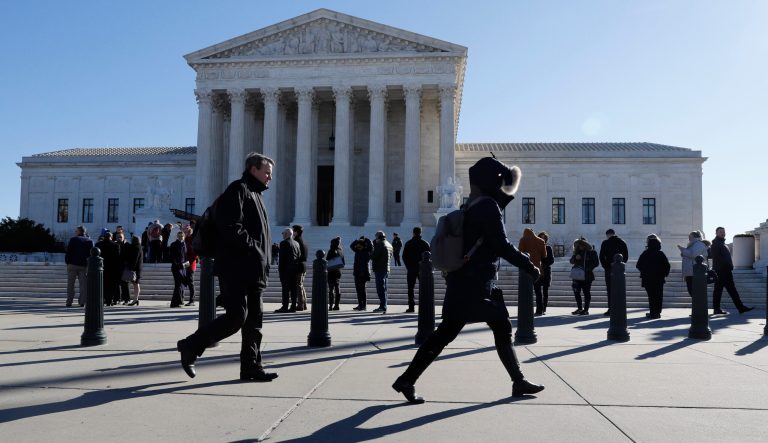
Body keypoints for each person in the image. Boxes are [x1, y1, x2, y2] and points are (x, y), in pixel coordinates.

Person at [392, 157, 544, 404]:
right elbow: (501, 244)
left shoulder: (471, 206)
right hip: (474, 285)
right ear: (493, 182)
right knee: (456, 333)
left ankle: (518, 381)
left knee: (464, 332)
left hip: (466, 283)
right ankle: (517, 381)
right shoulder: (487, 207)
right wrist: (528, 265)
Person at [177, 153, 278, 382]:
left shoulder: (257, 195)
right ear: (253, 169)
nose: (270, 177)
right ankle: (190, 346)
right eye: (267, 172)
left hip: (254, 269)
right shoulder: (239, 190)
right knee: (236, 317)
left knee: (254, 323)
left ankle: (251, 367)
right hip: (236, 267)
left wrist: (263, 257)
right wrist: (255, 249)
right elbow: (230, 226)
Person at [710, 227, 754, 315]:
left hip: (724, 271)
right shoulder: (716, 243)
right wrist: (725, 267)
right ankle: (738, 308)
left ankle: (739, 308)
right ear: (716, 233)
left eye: (723, 231)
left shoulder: (721, 243)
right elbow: (717, 258)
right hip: (722, 271)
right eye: (720, 232)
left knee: (726, 290)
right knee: (723, 290)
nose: (723, 233)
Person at [636, 234, 670, 319]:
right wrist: (663, 274)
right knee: (659, 296)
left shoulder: (645, 253)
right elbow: (667, 266)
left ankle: (653, 313)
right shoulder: (661, 253)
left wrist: (644, 272)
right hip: (659, 278)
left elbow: (638, 265)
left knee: (651, 296)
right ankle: (657, 313)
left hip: (648, 278)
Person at [598, 229, 628, 316]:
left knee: (610, 290)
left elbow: (601, 257)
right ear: (614, 234)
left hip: (609, 269)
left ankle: (611, 309)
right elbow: (626, 256)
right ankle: (620, 309)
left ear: (607, 235)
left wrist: (606, 266)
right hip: (619, 270)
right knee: (620, 290)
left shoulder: (605, 243)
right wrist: (621, 266)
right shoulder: (622, 242)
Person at [402, 227, 430, 313]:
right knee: (424, 288)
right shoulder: (425, 243)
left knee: (410, 288)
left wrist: (409, 267)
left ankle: (411, 307)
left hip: (411, 269)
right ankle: (424, 307)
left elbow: (404, 256)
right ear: (420, 232)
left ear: (413, 233)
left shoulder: (409, 243)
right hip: (422, 269)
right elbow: (429, 256)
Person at [64, 226, 93, 307]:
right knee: (83, 285)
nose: (75, 232)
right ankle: (82, 302)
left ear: (79, 232)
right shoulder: (89, 241)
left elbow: (68, 251)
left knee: (70, 284)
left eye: (76, 231)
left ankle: (69, 301)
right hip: (83, 265)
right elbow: (91, 254)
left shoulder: (73, 239)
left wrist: (67, 262)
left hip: (72, 264)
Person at [570, 237, 599, 315]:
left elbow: (596, 263)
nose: (580, 246)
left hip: (587, 276)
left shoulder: (592, 252)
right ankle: (579, 308)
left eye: (582, 245)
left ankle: (586, 309)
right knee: (576, 292)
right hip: (576, 276)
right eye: (579, 245)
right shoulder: (576, 252)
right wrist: (575, 258)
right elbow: (571, 261)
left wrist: (586, 269)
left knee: (586, 292)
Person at [275, 228, 300, 313]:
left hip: (286, 270)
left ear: (286, 234)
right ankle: (293, 306)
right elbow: (299, 255)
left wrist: (280, 270)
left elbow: (282, 259)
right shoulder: (296, 243)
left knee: (285, 289)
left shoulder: (284, 243)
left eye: (283, 233)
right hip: (295, 270)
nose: (282, 235)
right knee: (293, 289)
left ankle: (285, 306)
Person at [678, 231, 708, 297]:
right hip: (691, 272)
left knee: (694, 291)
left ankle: (698, 306)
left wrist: (683, 250)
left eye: (690, 237)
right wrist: (684, 253)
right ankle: (697, 306)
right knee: (691, 291)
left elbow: (695, 255)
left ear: (695, 237)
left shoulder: (699, 244)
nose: (689, 238)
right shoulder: (693, 244)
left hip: (695, 272)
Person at [95, 232, 121, 306]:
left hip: (101, 267)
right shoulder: (116, 245)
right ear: (111, 237)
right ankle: (109, 300)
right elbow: (118, 258)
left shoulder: (98, 245)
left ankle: (101, 299)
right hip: (112, 269)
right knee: (110, 286)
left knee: (101, 285)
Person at [371, 231, 393, 313]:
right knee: (384, 289)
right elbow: (390, 256)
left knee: (380, 288)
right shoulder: (389, 244)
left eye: (376, 237)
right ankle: (384, 305)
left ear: (378, 237)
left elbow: (374, 256)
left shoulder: (380, 244)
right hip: (386, 268)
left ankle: (382, 306)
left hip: (380, 269)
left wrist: (371, 249)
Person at [533, 232, 555, 316]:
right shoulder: (535, 247)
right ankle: (539, 309)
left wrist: (544, 265)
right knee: (538, 291)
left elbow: (552, 260)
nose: (542, 239)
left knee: (545, 291)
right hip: (537, 271)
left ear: (546, 239)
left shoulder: (548, 248)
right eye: (541, 237)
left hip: (546, 272)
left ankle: (544, 308)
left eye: (544, 238)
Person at [351, 236, 373, 311]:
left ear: (363, 246)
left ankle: (364, 306)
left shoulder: (367, 251)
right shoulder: (357, 251)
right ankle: (360, 305)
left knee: (362, 290)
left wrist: (366, 239)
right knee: (358, 290)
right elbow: (351, 246)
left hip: (364, 273)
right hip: (357, 273)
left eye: (360, 246)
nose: (358, 247)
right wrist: (357, 240)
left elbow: (371, 246)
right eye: (358, 246)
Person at [169, 231, 189, 308]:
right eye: (179, 236)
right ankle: (175, 303)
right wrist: (178, 265)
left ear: (184, 237)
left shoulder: (185, 244)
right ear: (177, 236)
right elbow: (172, 257)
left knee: (181, 285)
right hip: (176, 267)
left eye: (182, 236)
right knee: (178, 284)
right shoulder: (173, 244)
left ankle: (180, 301)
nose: (181, 237)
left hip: (183, 268)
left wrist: (187, 267)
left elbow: (186, 257)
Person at [292, 224, 309, 311]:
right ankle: (304, 303)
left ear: (296, 232)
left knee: (298, 286)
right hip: (303, 265)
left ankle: (300, 305)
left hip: (299, 266)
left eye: (293, 230)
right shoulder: (304, 241)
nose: (292, 232)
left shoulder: (297, 241)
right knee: (301, 285)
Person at [124, 235, 143, 306]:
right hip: (138, 268)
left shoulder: (136, 247)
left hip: (135, 269)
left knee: (136, 284)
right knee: (136, 284)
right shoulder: (139, 247)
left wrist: (131, 268)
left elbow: (135, 259)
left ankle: (135, 299)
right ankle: (136, 299)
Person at [326, 237, 344, 311]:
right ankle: (337, 305)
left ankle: (330, 306)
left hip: (331, 271)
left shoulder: (331, 250)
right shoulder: (341, 251)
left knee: (331, 289)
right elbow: (343, 262)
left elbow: (327, 259)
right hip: (338, 271)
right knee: (337, 288)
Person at [183, 225, 198, 306]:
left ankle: (192, 300)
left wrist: (188, 262)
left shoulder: (192, 238)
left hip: (191, 263)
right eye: (184, 230)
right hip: (185, 262)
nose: (184, 231)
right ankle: (182, 298)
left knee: (190, 281)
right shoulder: (184, 238)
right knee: (185, 280)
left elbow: (195, 253)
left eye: (186, 230)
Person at [114, 231, 131, 305]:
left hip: (125, 267)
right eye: (118, 237)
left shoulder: (127, 245)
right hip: (116, 267)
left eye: (120, 237)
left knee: (125, 284)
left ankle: (126, 299)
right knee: (117, 284)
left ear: (124, 237)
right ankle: (117, 298)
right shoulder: (114, 245)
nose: (119, 238)